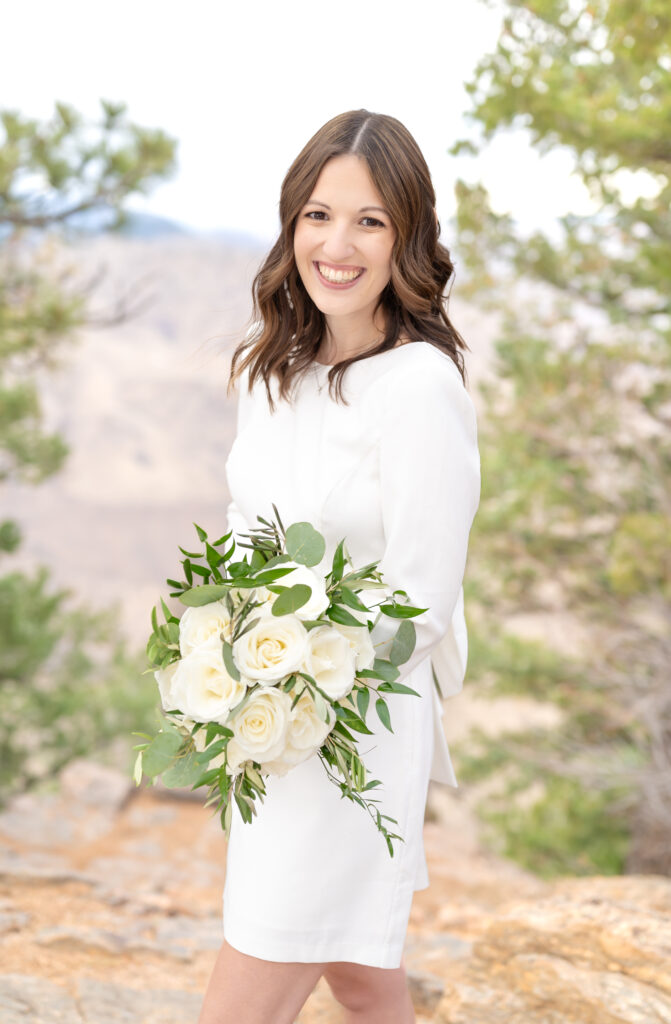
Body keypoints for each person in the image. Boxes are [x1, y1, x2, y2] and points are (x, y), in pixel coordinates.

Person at [198, 108, 481, 1024]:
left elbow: (421, 600)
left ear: (407, 238)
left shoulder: (421, 390)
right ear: (292, 226)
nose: (338, 244)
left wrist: (305, 684)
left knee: (260, 973)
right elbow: (247, 531)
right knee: (359, 976)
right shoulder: (266, 372)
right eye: (318, 215)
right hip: (266, 730)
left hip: (352, 730)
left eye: (369, 221)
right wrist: (227, 658)